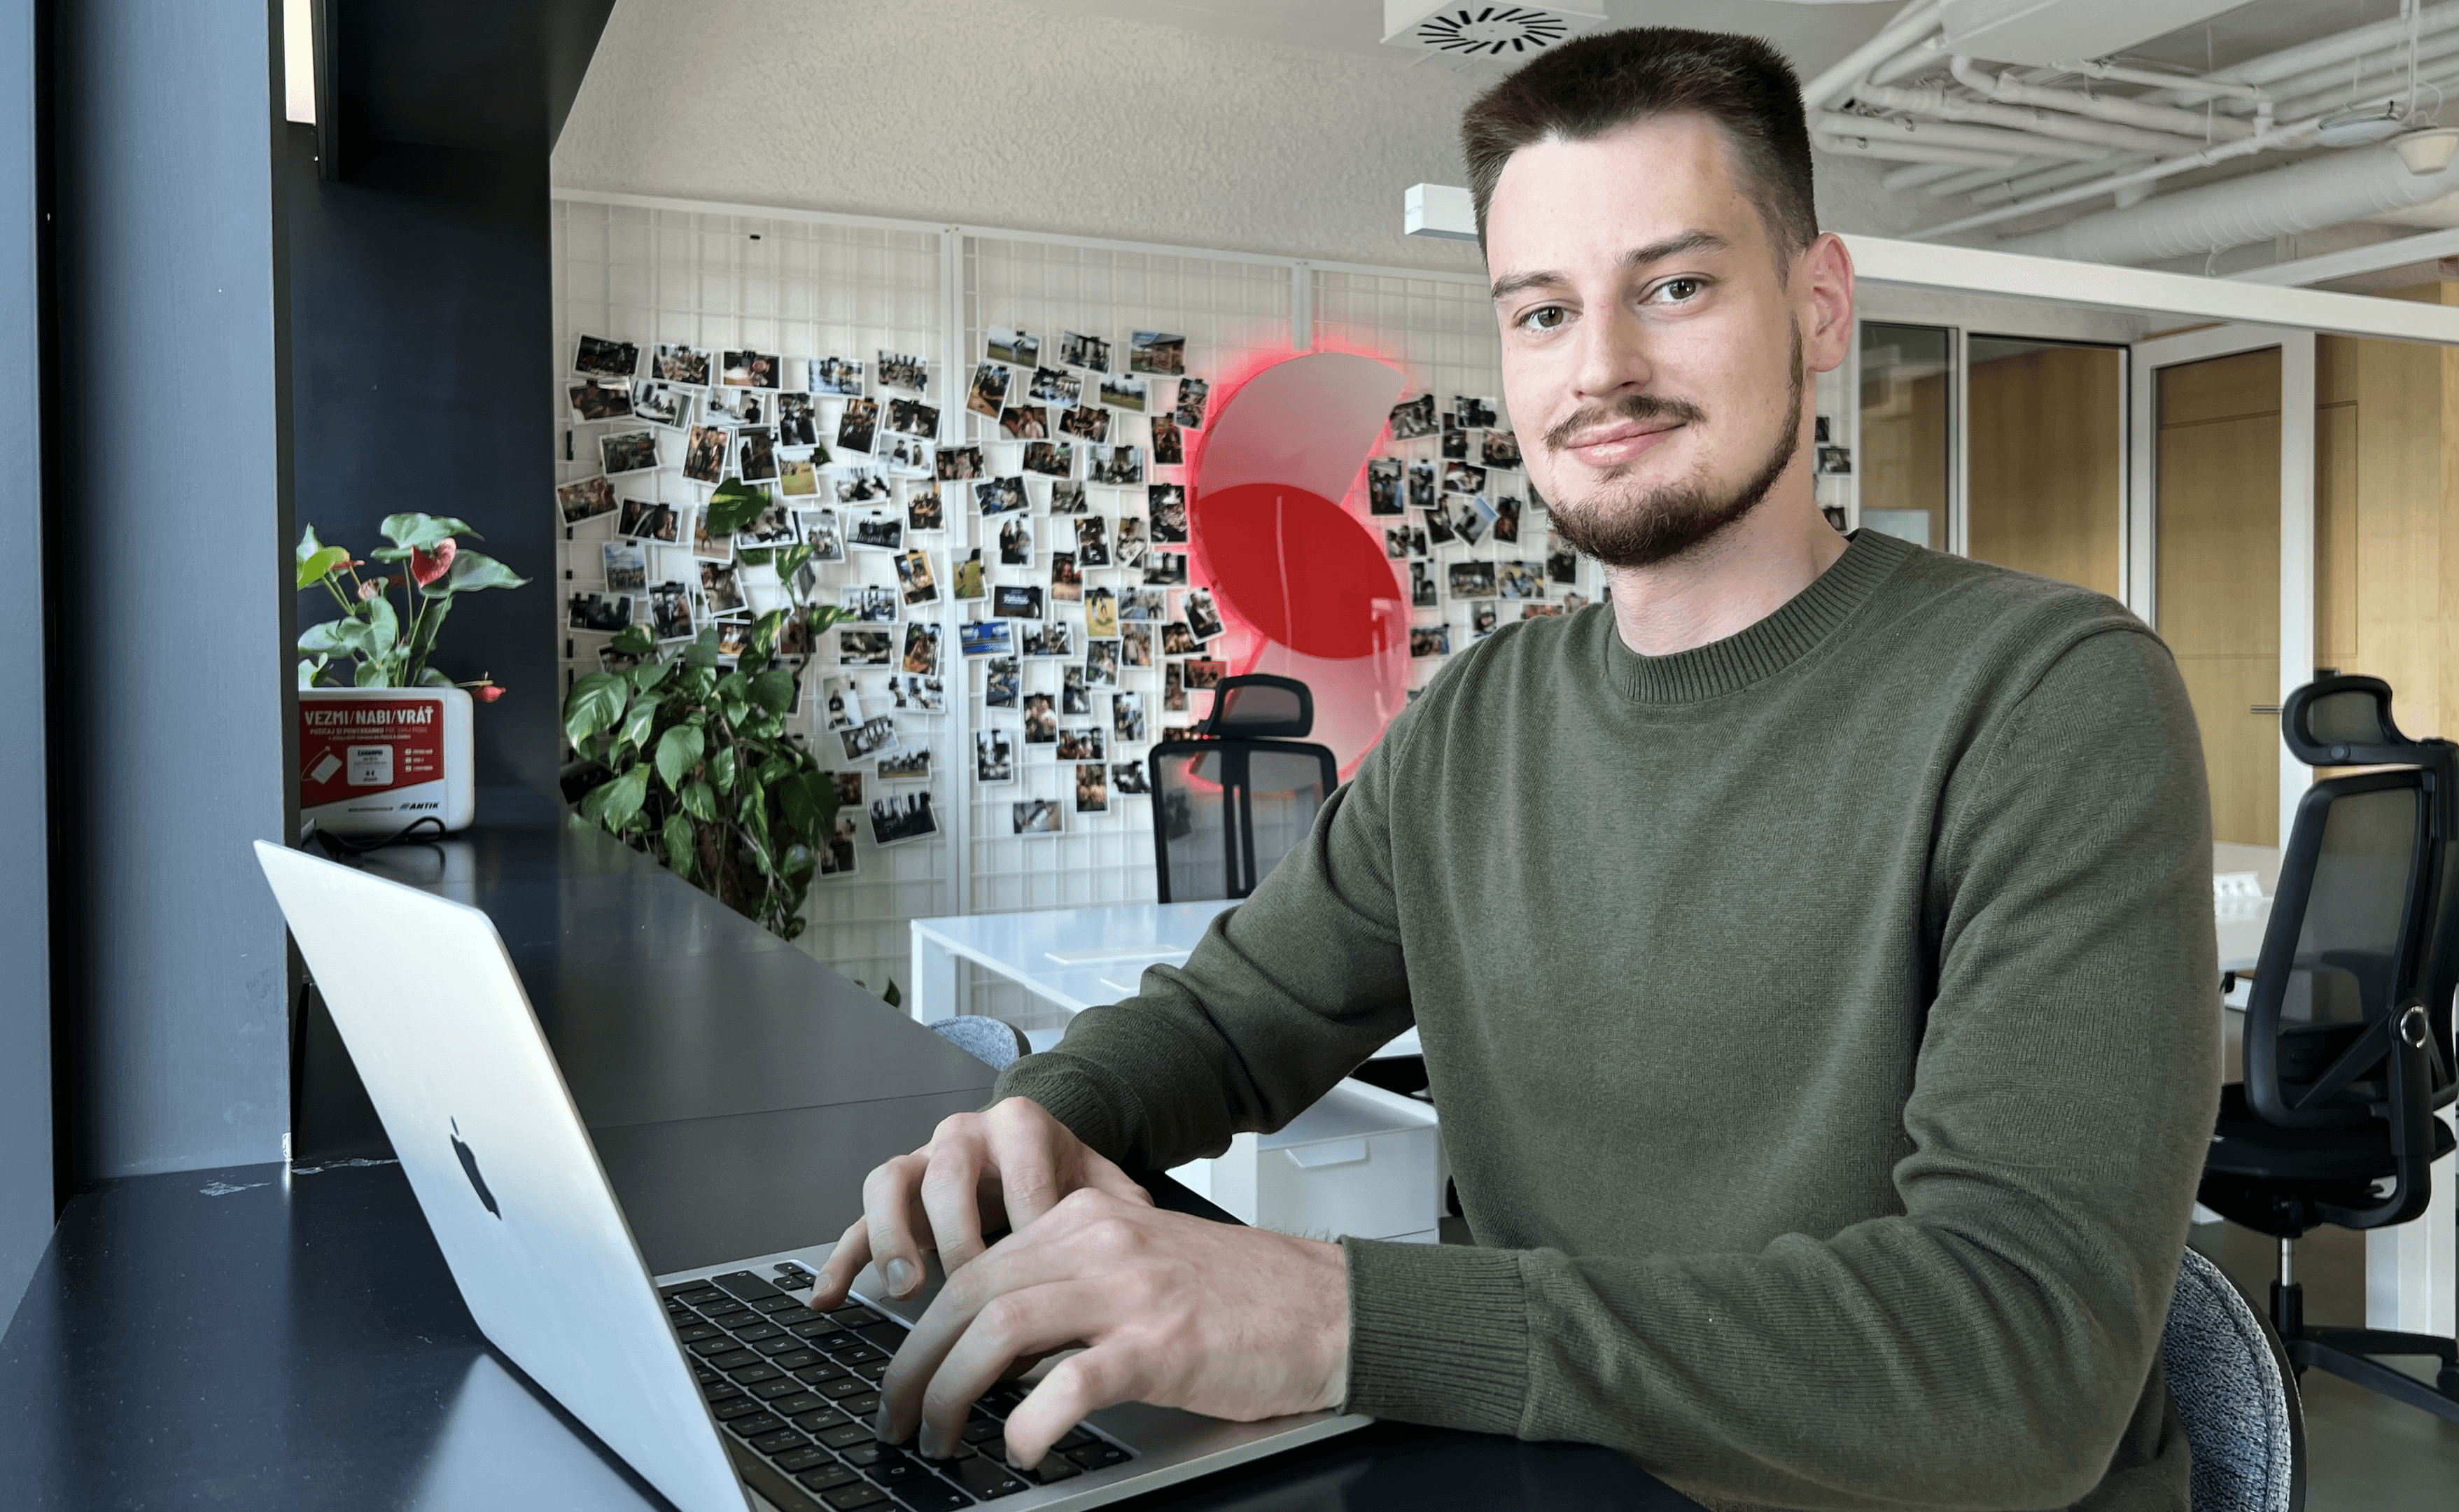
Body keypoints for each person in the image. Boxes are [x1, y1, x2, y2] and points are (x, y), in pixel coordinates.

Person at [811, 26, 2217, 1511]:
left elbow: (2022, 1360)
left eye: (1674, 287)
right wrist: (1047, 1123)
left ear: (1818, 306)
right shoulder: (1478, 719)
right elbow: (1232, 1022)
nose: (1601, 369)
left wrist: (1333, 1316)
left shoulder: (2050, 696)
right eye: (1542, 313)